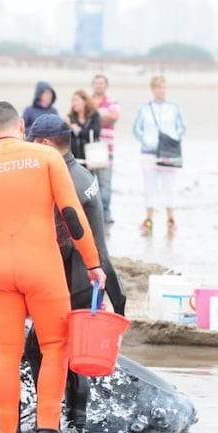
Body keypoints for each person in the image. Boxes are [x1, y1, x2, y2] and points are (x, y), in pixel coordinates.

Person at [0, 101, 106, 433]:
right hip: (41, 265)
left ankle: (8, 428)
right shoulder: (47, 157)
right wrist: (92, 263)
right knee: (55, 346)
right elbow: (72, 214)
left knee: (7, 353)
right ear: (21, 125)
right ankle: (47, 426)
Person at [25, 113, 127, 433]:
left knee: (39, 349)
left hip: (72, 279)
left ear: (45, 144)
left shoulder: (62, 179)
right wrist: (118, 301)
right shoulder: (81, 173)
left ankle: (52, 419)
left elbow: (65, 240)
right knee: (72, 352)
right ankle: (75, 421)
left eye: (32, 143)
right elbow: (100, 247)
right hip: (90, 278)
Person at [132, 75, 186, 236]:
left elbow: (181, 128)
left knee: (169, 186)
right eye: (158, 87)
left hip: (168, 153)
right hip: (149, 153)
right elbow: (137, 129)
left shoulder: (174, 107)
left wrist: (172, 139)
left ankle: (171, 219)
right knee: (150, 186)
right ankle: (149, 219)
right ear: (153, 89)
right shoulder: (145, 108)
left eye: (163, 87)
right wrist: (148, 142)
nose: (161, 90)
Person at [90, 74, 120, 224]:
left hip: (105, 147)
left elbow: (114, 117)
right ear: (92, 85)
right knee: (88, 182)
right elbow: (80, 116)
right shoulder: (87, 101)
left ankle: (105, 212)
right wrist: (100, 116)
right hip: (87, 146)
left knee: (105, 183)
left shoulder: (112, 101)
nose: (99, 86)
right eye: (96, 83)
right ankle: (90, 214)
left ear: (106, 85)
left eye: (101, 83)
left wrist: (93, 117)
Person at [66, 89, 101, 168]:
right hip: (75, 158)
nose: (74, 103)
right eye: (72, 101)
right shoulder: (70, 117)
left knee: (91, 179)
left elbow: (95, 133)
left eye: (76, 100)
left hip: (92, 155)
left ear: (85, 101)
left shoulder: (94, 115)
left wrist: (77, 130)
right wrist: (67, 126)